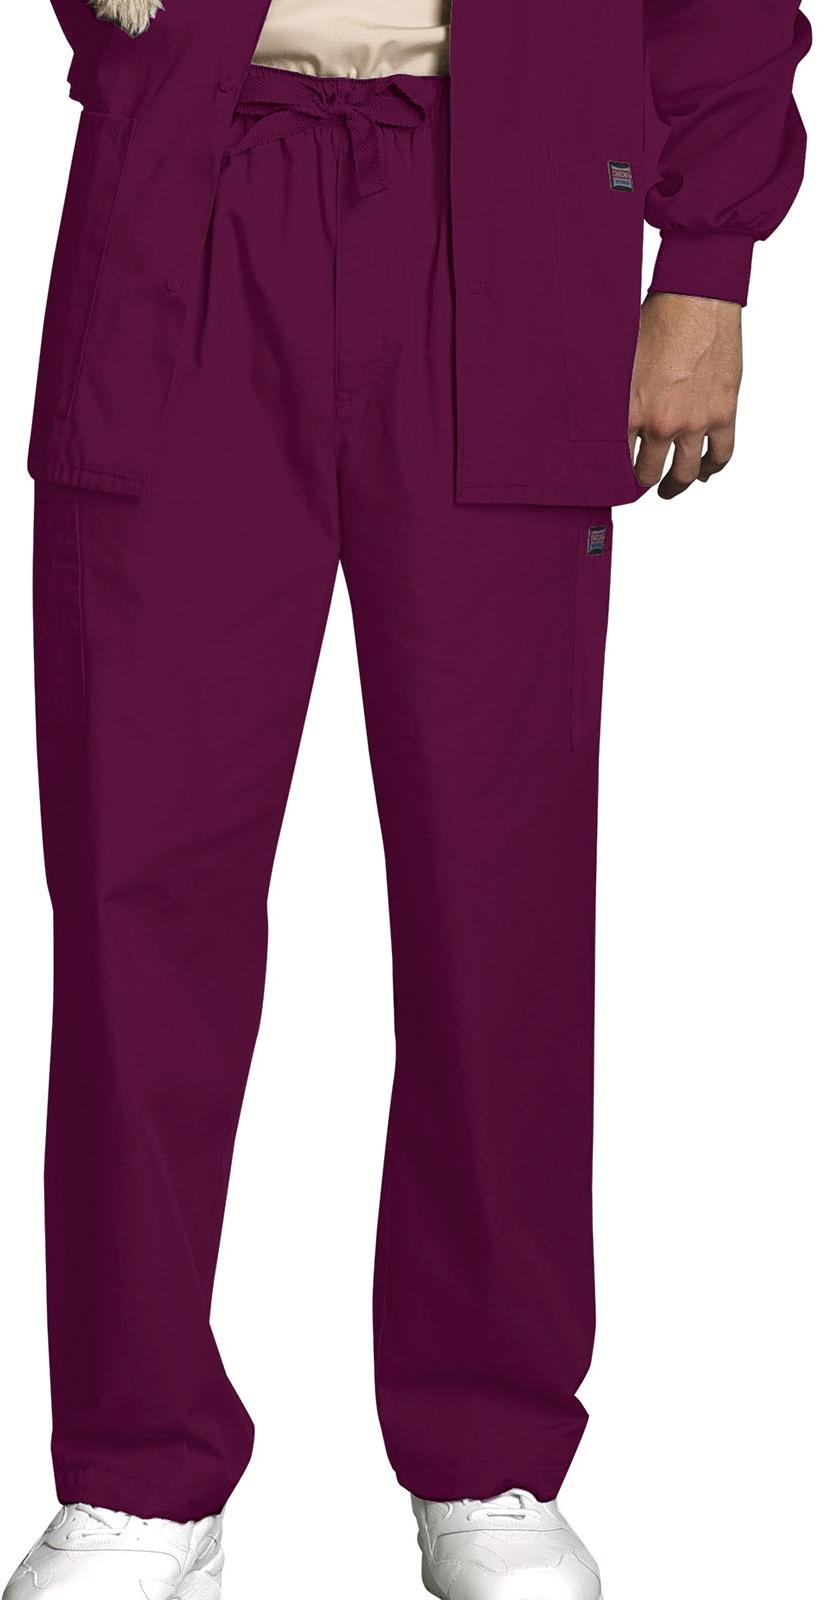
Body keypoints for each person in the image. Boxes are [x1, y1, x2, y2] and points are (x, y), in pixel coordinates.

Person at [3, 2, 811, 1598]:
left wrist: (708, 261)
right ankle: (135, 1468)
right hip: (189, 190)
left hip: (512, 211)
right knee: (132, 885)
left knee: (497, 888)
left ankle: (489, 1451)